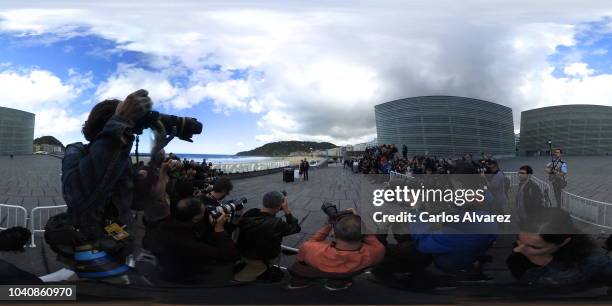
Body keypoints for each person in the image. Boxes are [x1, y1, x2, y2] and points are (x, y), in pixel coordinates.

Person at [60, 89, 155, 282]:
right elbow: (75, 195)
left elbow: (134, 203)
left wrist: (150, 178)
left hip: (120, 244)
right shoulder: (76, 150)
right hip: (88, 247)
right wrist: (121, 121)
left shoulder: (121, 160)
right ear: (108, 126)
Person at [143, 197, 239, 284]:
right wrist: (219, 229)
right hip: (184, 278)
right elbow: (230, 254)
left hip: (166, 269)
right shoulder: (187, 243)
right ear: (196, 218)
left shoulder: (161, 227)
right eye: (203, 212)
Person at [507, 208, 612, 286]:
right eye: (519, 241)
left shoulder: (594, 264)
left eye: (535, 247)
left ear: (563, 242)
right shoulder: (522, 253)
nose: (517, 249)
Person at [289, 210, 385, 290]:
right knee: (341, 274)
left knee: (300, 266)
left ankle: (300, 281)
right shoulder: (374, 252)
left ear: (333, 235)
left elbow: (311, 243)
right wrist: (357, 221)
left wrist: (329, 224)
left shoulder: (311, 248)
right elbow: (374, 241)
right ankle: (337, 284)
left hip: (317, 269)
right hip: (348, 272)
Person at [234, 191, 301, 282]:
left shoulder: (250, 213)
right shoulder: (277, 223)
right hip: (263, 259)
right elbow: (296, 228)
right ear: (280, 206)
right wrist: (287, 211)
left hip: (243, 254)